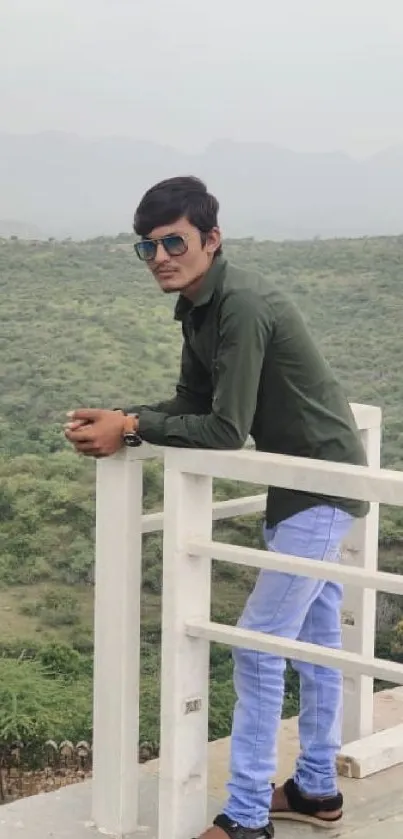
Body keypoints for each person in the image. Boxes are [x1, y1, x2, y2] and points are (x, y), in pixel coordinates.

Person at [65, 176, 369, 839]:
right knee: (314, 644)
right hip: (301, 484)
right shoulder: (200, 307)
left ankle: (247, 818)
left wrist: (133, 429)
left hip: (320, 485)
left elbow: (224, 430)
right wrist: (125, 417)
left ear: (210, 239)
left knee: (256, 647)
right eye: (146, 248)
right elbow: (191, 403)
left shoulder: (240, 304)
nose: (160, 257)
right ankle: (316, 791)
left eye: (173, 240)